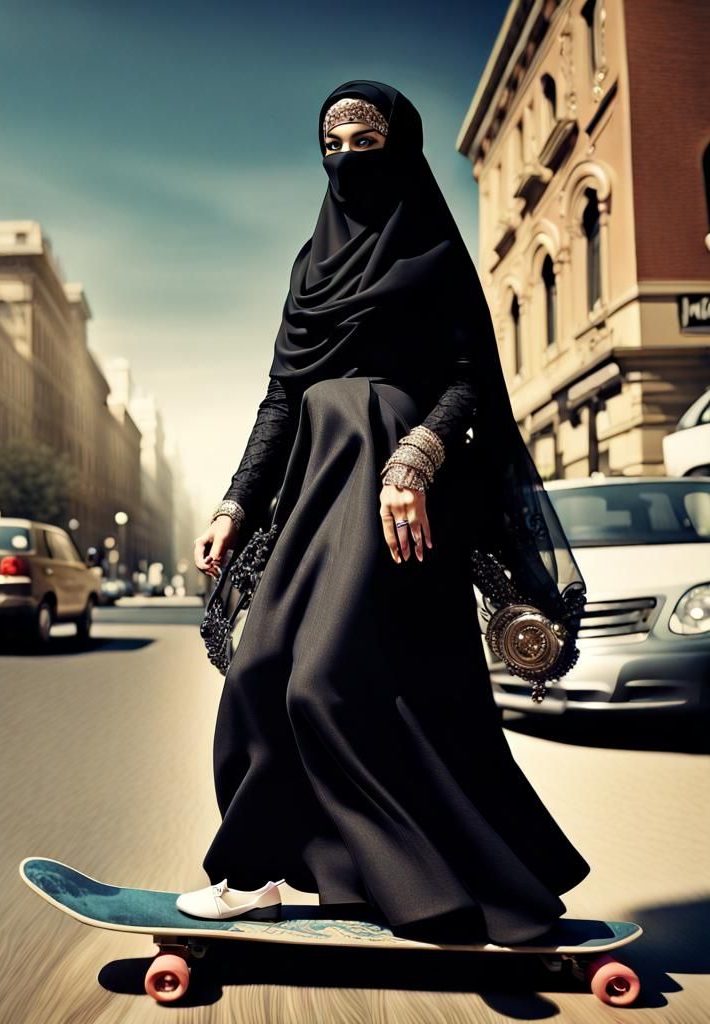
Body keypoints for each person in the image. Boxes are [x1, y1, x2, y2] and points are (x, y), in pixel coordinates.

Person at [183, 81, 591, 946]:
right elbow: (281, 396)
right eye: (331, 140)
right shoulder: (309, 267)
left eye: (366, 140)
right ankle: (286, 877)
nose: (345, 155)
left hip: (398, 493)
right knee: (263, 674)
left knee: (331, 682)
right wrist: (235, 499)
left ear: (398, 146)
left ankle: (416, 881)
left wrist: (416, 456)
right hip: (315, 487)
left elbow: (471, 378)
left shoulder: (435, 253)